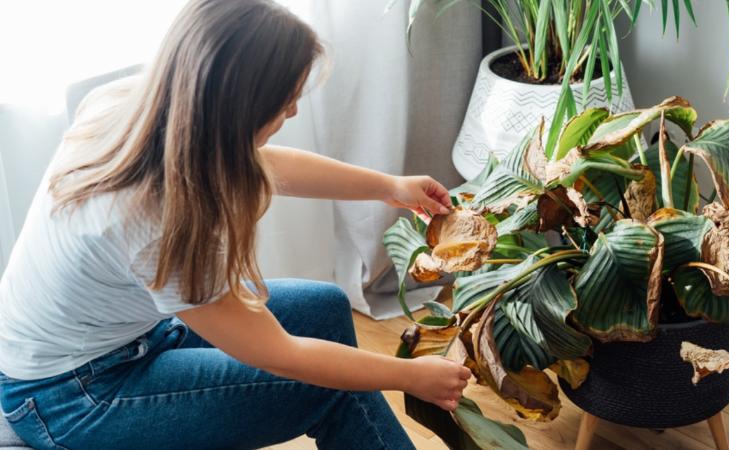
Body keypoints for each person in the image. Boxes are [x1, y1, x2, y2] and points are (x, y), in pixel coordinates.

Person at [0, 1, 470, 448]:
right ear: (236, 110)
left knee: (325, 306)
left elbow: (264, 161)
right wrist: (411, 376)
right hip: (72, 395)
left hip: (129, 337)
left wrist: (390, 186)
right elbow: (281, 355)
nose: (293, 113)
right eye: (285, 100)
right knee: (329, 388)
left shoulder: (136, 106)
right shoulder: (161, 221)